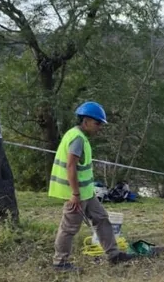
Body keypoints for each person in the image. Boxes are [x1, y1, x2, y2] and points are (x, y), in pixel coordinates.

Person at [49, 102, 132, 270]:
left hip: (86, 192)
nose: (99, 127)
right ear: (86, 121)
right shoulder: (77, 139)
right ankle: (60, 262)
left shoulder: (79, 137)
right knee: (69, 228)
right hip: (76, 194)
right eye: (97, 123)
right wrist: (75, 194)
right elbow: (70, 166)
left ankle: (114, 255)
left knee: (101, 219)